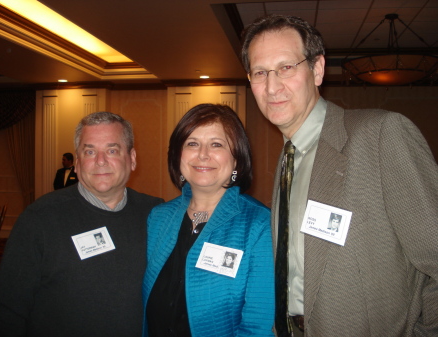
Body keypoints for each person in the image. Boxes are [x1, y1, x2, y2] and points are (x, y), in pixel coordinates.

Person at [241, 14, 438, 336]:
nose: (272, 86)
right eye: (260, 72)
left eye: (286, 68)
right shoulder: (287, 159)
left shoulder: (379, 135)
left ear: (317, 69)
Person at [0, 111, 163, 336]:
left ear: (132, 159)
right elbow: (8, 312)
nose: (100, 161)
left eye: (112, 150)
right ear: (78, 162)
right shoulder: (39, 219)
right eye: (89, 151)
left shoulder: (156, 214)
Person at [142, 104, 274, 337]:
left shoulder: (259, 225)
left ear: (236, 160)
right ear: (178, 155)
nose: (202, 154)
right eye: (192, 143)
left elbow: (258, 327)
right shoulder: (159, 218)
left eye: (216, 144)